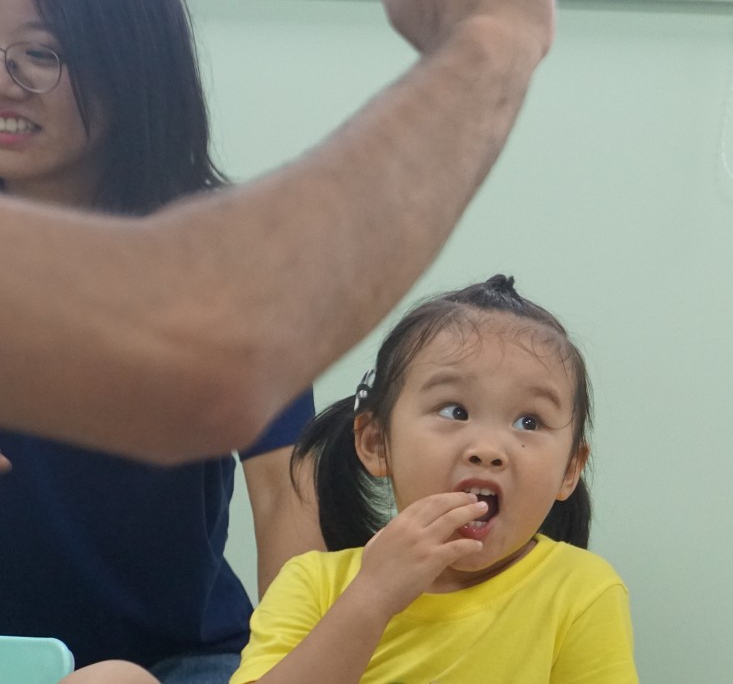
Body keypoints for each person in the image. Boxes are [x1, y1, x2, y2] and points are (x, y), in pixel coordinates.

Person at [0, 0, 555, 465]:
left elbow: (235, 385)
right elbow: (212, 354)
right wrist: (496, 37)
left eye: (39, 53)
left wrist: (492, 38)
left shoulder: (202, 237)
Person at [0, 0, 322, 684]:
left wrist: (290, 666)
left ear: (129, 59)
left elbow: (285, 495)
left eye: (38, 54)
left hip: (180, 657)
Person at [61, 276, 634, 684]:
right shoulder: (316, 583)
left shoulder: (580, 591)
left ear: (569, 470)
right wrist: (373, 598)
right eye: (454, 411)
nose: (489, 449)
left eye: (529, 422)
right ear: (376, 443)